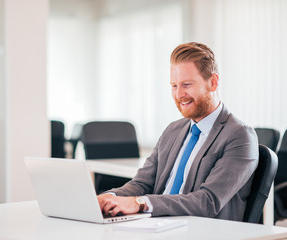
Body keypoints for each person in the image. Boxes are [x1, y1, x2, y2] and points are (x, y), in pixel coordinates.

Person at [97, 42, 259, 221]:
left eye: (187, 84)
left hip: (200, 231)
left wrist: (140, 203)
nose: (179, 94)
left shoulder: (239, 135)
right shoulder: (173, 130)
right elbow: (142, 183)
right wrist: (108, 198)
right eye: (174, 85)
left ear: (213, 83)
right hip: (156, 226)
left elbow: (208, 201)